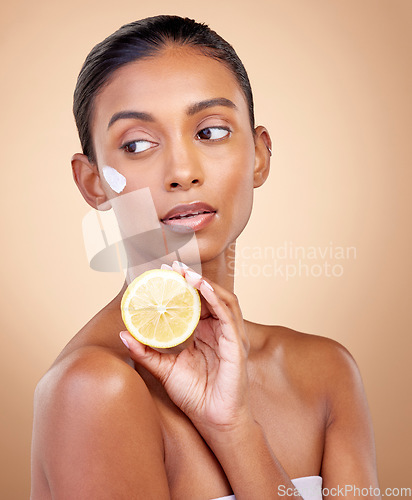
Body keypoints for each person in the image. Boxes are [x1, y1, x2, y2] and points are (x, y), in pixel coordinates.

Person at [30, 15, 380, 499]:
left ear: (259, 155)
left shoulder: (326, 373)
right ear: (92, 182)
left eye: (211, 132)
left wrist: (235, 429)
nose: (181, 171)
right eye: (137, 144)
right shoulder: (95, 390)